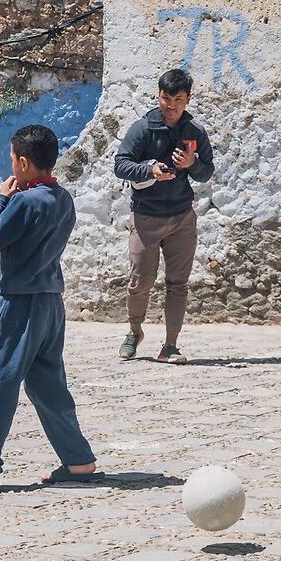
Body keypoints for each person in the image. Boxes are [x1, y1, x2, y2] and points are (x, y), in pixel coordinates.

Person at [0, 123, 99, 492]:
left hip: (18, 303)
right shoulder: (63, 198)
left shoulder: (23, 200)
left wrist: (1, 199)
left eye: (12, 160)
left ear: (22, 162)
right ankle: (78, 459)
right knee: (48, 385)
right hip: (51, 303)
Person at [113, 66, 216, 363]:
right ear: (158, 96)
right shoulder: (143, 128)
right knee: (140, 281)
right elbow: (120, 164)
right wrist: (150, 170)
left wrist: (191, 163)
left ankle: (170, 345)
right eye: (165, 98)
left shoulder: (195, 131)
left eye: (177, 99)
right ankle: (134, 331)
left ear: (188, 100)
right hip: (145, 217)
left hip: (182, 218)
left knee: (178, 283)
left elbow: (206, 171)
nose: (170, 106)